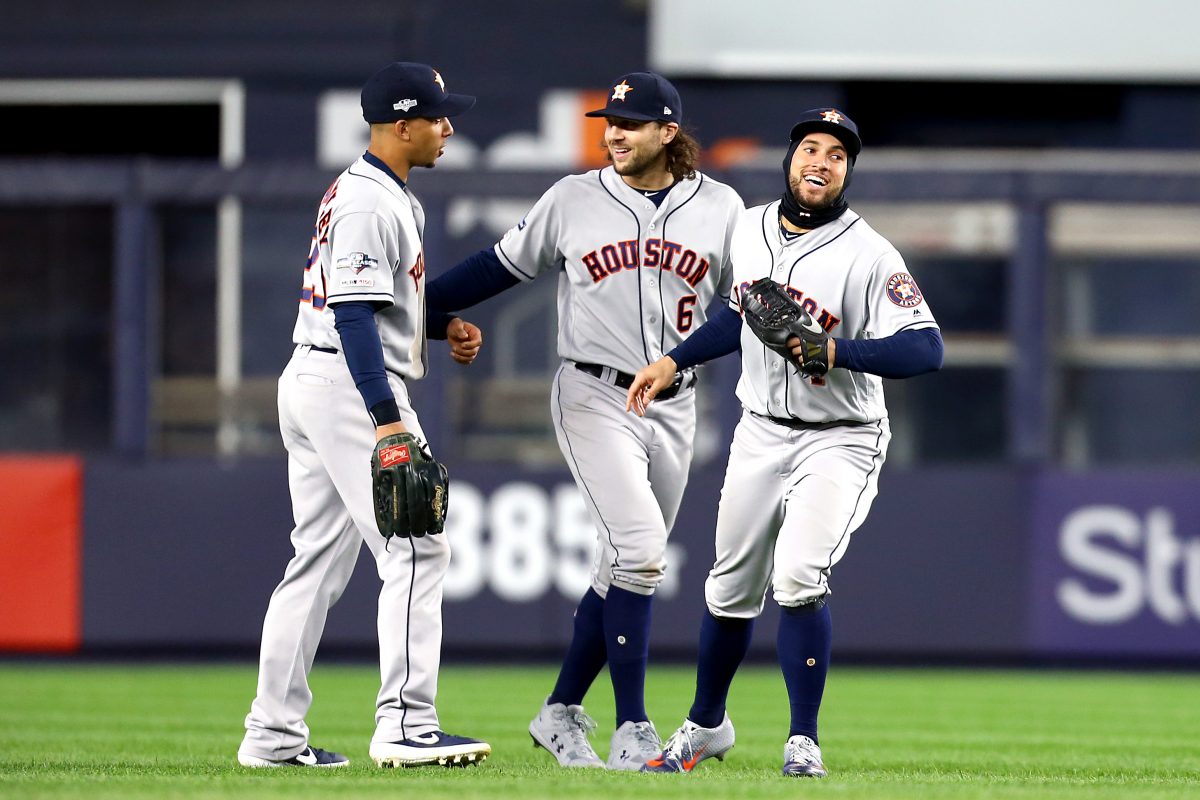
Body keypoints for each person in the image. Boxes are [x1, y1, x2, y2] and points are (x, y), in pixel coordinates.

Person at [424, 72, 744, 770]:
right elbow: (496, 266)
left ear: (668, 132)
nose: (615, 132)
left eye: (631, 122)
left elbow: (741, 305)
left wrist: (687, 355)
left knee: (623, 563)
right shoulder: (574, 197)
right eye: (610, 120)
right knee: (641, 552)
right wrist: (416, 310)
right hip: (593, 393)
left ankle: (559, 711)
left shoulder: (718, 206)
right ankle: (633, 726)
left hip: (676, 401)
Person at [625, 108, 944, 778]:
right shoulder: (748, 227)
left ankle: (803, 740)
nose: (820, 163)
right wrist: (674, 361)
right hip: (761, 429)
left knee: (799, 575)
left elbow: (926, 348)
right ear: (791, 159)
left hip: (842, 439)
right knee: (728, 589)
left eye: (835, 154)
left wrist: (837, 349)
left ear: (847, 170)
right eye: (810, 149)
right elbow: (736, 315)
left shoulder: (870, 254)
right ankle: (706, 726)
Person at [237, 62, 489, 770]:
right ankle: (406, 723)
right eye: (438, 117)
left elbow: (374, 303)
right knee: (416, 547)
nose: (448, 128)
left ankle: (272, 735)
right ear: (401, 125)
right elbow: (351, 315)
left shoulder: (378, 193)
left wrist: (440, 326)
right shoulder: (368, 202)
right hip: (348, 384)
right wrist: (384, 418)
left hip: (321, 377)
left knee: (316, 563)